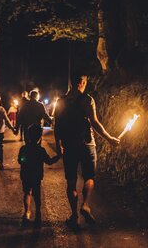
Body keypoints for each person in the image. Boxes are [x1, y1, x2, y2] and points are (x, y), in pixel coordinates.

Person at [54, 75, 120, 230]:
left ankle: (74, 217)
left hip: (69, 145)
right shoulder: (87, 99)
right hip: (87, 144)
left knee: (71, 181)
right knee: (89, 177)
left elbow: (57, 124)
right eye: (85, 83)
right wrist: (109, 138)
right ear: (81, 83)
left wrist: (58, 144)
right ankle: (85, 205)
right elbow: (94, 122)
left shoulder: (61, 101)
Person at [18, 124, 59, 228]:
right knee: (37, 195)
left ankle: (27, 213)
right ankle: (38, 215)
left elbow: (20, 160)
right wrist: (58, 156)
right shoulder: (41, 150)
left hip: (26, 175)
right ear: (40, 136)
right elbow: (49, 161)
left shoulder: (23, 149)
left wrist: (25, 161)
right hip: (36, 176)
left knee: (27, 192)